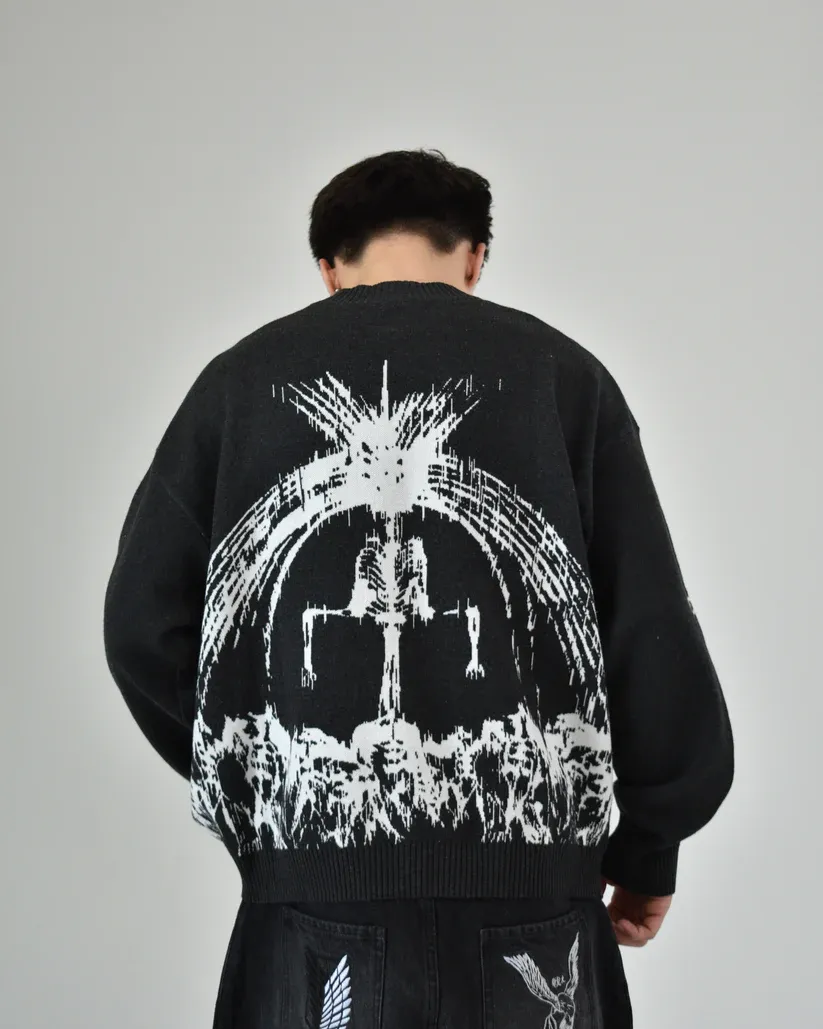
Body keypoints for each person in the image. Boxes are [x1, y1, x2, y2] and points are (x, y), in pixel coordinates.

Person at [102, 148, 734, 1027]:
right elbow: (647, 627)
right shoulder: (563, 378)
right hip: (535, 905)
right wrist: (648, 846)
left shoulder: (236, 386)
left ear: (327, 267)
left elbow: (142, 626)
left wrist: (269, 783)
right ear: (474, 257)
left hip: (306, 908)